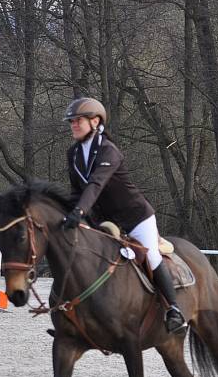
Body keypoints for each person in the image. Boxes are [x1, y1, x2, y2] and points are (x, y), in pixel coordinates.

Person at [61, 96, 187, 334]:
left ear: (95, 121)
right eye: (71, 122)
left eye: (78, 120)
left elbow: (95, 185)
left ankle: (174, 310)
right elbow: (76, 192)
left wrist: (79, 211)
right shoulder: (73, 154)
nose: (73, 125)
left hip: (135, 218)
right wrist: (62, 212)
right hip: (104, 222)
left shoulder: (109, 151)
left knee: (150, 257)